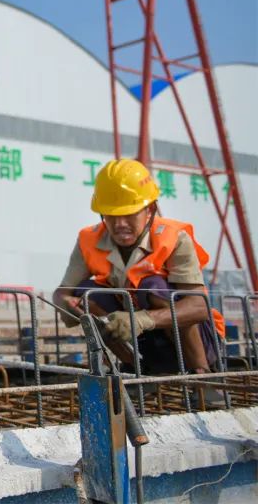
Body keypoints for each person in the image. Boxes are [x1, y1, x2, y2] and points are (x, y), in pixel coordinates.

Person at [52, 159, 225, 377]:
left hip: (197, 341)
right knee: (87, 293)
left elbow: (198, 307)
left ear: (149, 209)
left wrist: (141, 320)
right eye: (111, 215)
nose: (120, 224)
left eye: (129, 214)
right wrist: (66, 305)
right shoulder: (89, 240)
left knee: (152, 285)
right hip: (142, 345)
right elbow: (62, 292)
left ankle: (202, 374)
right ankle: (138, 369)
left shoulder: (173, 238)